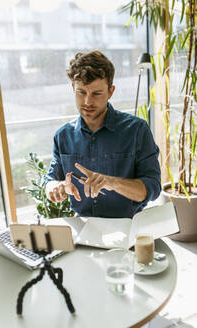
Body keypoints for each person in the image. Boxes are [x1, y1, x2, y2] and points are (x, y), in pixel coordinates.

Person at [45, 50, 161, 218]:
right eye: (81, 92)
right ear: (73, 88)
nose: (87, 102)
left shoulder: (137, 130)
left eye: (96, 94)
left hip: (128, 226)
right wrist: (56, 187)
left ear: (111, 91)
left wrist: (111, 182)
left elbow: (153, 187)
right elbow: (50, 181)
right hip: (83, 229)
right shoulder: (63, 136)